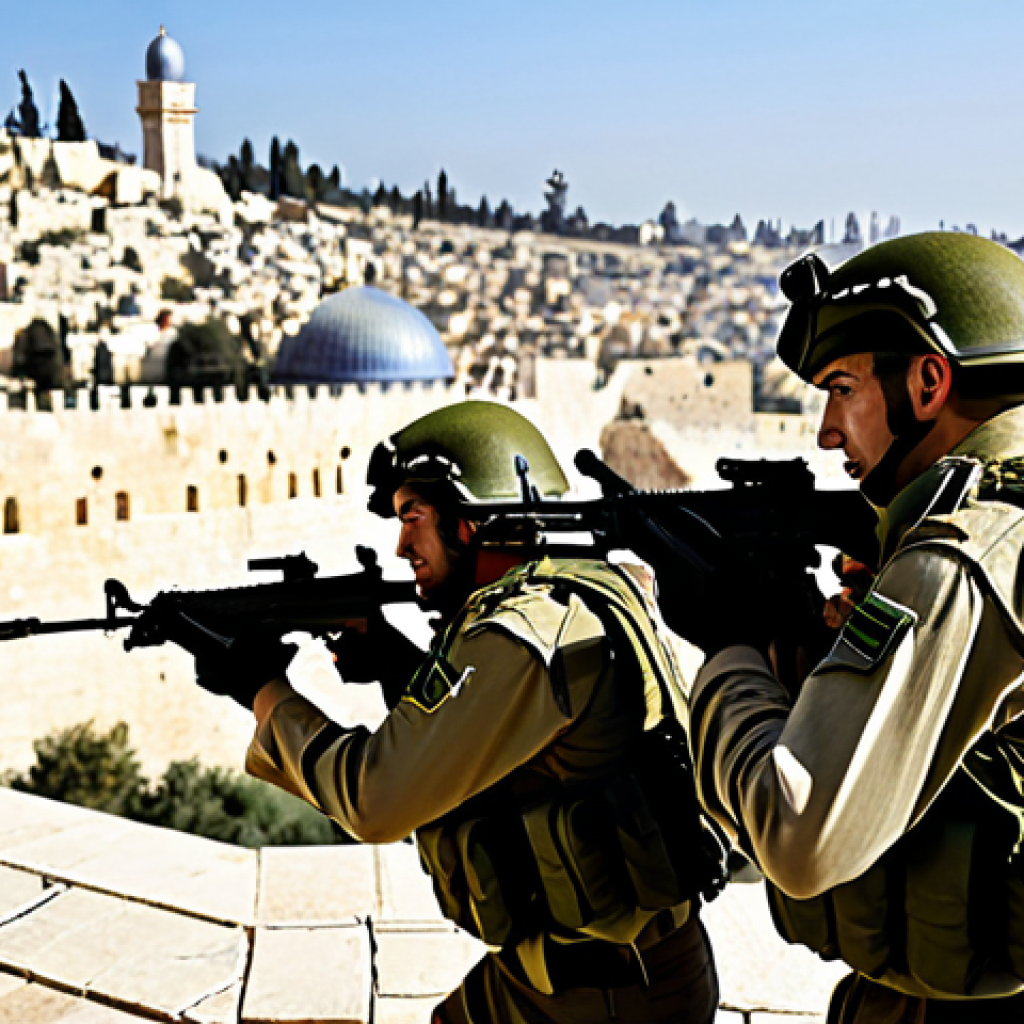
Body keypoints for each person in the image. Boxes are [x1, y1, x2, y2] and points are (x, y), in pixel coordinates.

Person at [135, 401, 722, 1024]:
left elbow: (376, 798)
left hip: (601, 997)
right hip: (584, 971)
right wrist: (394, 662)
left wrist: (261, 689)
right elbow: (497, 738)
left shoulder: (520, 635)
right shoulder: (569, 592)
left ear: (470, 520)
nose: (400, 544)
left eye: (413, 517)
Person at [686, 231, 1024, 1021]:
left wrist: (732, 650)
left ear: (929, 381)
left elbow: (798, 835)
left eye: (841, 388)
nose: (826, 432)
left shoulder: (959, 559)